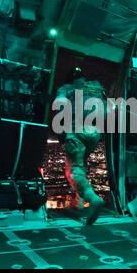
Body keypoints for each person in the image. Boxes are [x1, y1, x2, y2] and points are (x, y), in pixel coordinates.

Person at [54, 68, 106, 225]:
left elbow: (60, 108)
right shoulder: (95, 86)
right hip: (95, 133)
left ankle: (92, 199)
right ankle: (79, 202)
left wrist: (62, 131)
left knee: (72, 171)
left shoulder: (65, 88)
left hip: (77, 130)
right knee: (82, 165)